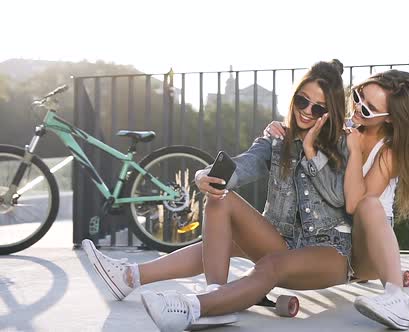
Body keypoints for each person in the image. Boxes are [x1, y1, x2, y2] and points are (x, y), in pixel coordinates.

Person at [82, 59, 352, 332]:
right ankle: (154, 283)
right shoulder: (277, 139)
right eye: (302, 101)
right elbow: (243, 164)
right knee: (220, 195)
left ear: (330, 113)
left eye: (317, 108)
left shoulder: (344, 143)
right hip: (282, 242)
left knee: (248, 254)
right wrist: (204, 175)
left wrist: (309, 150)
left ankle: (205, 302)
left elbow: (338, 197)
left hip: (327, 253)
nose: (306, 111)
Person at [264, 69, 409, 330]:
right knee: (235, 233)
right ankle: (188, 285)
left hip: (366, 252)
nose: (358, 108)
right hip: (333, 242)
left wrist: (352, 150)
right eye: (358, 97)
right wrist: (279, 129)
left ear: (391, 119)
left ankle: (397, 299)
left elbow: (354, 204)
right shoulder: (347, 129)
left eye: (369, 109)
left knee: (369, 204)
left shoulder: (388, 152)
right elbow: (306, 129)